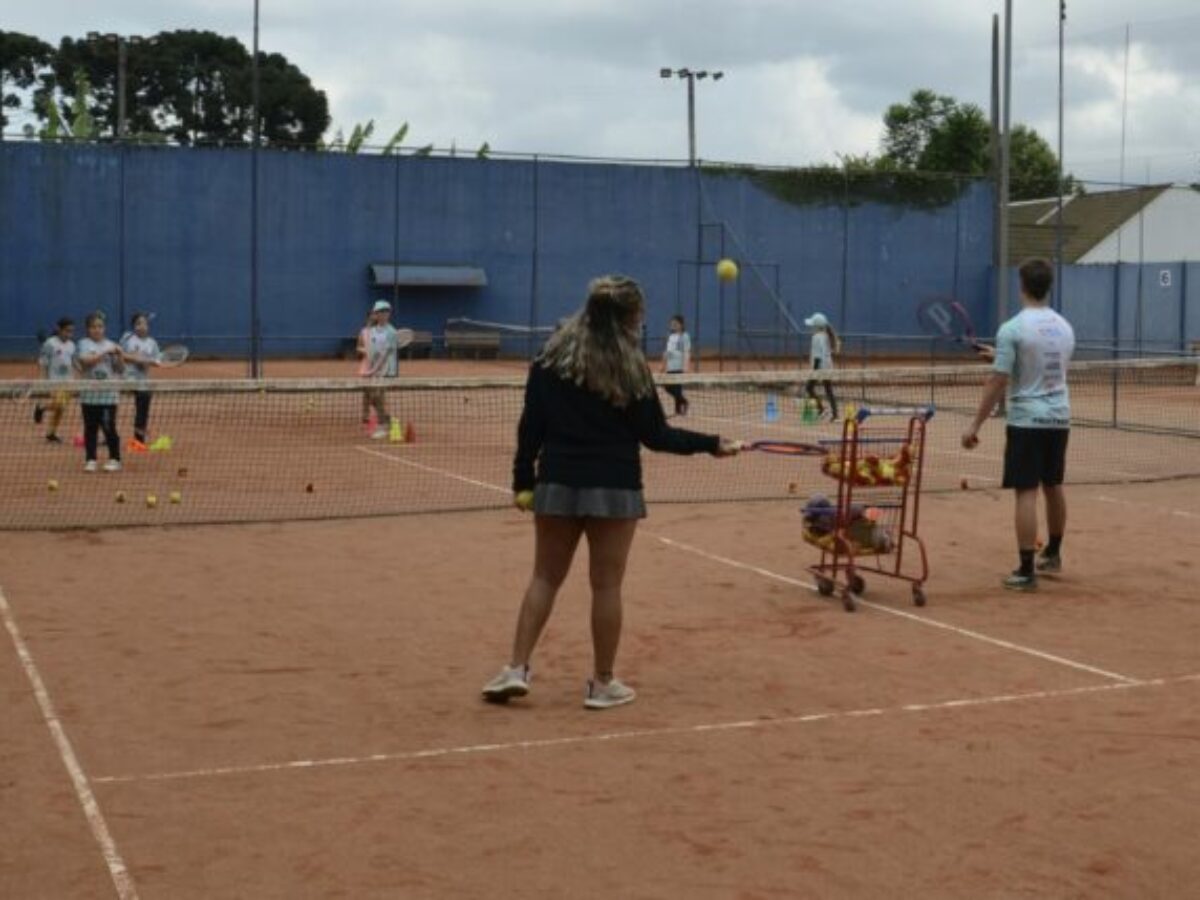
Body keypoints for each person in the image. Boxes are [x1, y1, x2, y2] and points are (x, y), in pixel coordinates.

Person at [482, 275, 740, 710]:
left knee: (545, 577)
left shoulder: (550, 359)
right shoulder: (632, 367)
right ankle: (602, 683)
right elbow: (656, 436)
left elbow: (531, 427)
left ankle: (515, 668)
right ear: (630, 317)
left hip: (558, 483)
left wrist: (523, 481)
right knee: (606, 586)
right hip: (615, 488)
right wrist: (712, 444)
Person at [962, 257, 1075, 591]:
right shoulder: (1065, 327)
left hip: (1027, 420)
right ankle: (1052, 553)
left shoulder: (1012, 328)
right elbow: (1040, 364)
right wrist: (999, 355)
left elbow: (998, 381)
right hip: (1059, 418)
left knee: (1026, 490)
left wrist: (974, 426)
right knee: (1052, 484)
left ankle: (1026, 570)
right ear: (1048, 286)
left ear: (1022, 285)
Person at [76, 312, 125, 473]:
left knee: (108, 427)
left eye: (100, 326)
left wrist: (120, 355)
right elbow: (86, 361)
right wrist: (105, 352)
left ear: (104, 328)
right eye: (93, 327)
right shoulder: (83, 344)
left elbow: (120, 369)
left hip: (108, 395)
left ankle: (115, 459)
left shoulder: (112, 344)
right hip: (89, 395)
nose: (97, 330)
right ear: (88, 329)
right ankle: (91, 460)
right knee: (90, 428)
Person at [358, 300, 400, 439]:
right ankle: (387, 420)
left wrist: (374, 369)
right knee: (374, 398)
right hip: (375, 370)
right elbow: (372, 351)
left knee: (377, 396)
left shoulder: (392, 332)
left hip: (387, 370)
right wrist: (371, 364)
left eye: (386, 311)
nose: (383, 314)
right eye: (380, 312)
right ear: (376, 314)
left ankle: (383, 427)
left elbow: (386, 355)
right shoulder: (373, 331)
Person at [120, 312, 160, 450]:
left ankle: (138, 439)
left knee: (144, 400)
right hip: (126, 377)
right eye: (138, 324)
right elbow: (120, 354)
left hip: (143, 379)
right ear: (133, 326)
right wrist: (135, 358)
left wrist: (147, 362)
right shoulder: (127, 338)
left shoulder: (152, 343)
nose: (141, 327)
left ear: (148, 326)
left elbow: (156, 361)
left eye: (144, 324)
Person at [34, 318, 76, 444]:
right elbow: (43, 363)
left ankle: (51, 433)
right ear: (59, 329)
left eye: (71, 331)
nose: (69, 334)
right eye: (67, 331)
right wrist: (43, 381)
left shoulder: (72, 345)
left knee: (60, 410)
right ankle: (41, 407)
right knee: (59, 404)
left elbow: (73, 362)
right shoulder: (50, 343)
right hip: (54, 381)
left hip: (69, 381)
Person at [804, 312, 839, 421]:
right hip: (828, 366)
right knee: (828, 389)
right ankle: (835, 414)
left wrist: (814, 371)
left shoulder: (816, 337)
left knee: (809, 387)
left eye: (812, 325)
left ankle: (821, 410)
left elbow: (818, 356)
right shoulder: (826, 336)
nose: (810, 328)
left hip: (820, 367)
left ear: (816, 326)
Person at [660, 314, 691, 415]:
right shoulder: (670, 336)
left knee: (677, 388)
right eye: (672, 324)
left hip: (679, 366)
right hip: (670, 366)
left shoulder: (685, 336)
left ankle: (678, 410)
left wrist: (685, 367)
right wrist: (663, 365)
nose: (673, 325)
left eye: (675, 323)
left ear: (681, 325)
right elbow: (667, 352)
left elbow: (686, 352)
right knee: (667, 386)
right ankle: (684, 402)